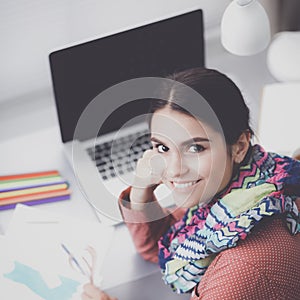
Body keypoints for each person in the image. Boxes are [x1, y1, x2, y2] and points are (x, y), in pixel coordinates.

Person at [82, 67, 300, 300]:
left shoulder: (242, 272)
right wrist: (140, 190)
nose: (175, 169)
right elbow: (160, 249)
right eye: (163, 147)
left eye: (195, 148)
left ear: (239, 146)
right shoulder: (241, 190)